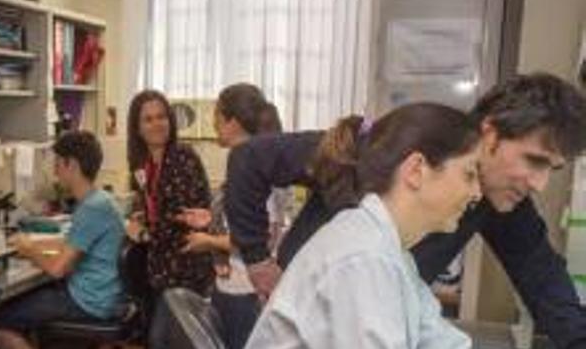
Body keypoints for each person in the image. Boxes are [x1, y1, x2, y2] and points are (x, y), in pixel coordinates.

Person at [226, 73, 586, 348]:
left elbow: (541, 277)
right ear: (416, 170)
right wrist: (258, 261)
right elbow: (249, 158)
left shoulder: (395, 256)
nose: (540, 184)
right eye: (534, 161)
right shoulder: (365, 254)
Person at [245, 103, 480, 348]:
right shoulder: (363, 256)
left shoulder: (390, 251)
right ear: (416, 170)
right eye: (469, 175)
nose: (477, 193)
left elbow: (442, 342)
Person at [0, 130, 125, 349]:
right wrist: (29, 243)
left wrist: (30, 251)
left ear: (72, 165)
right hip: (104, 297)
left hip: (88, 302)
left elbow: (58, 269)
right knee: (23, 306)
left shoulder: (91, 208)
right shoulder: (102, 199)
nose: (55, 170)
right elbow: (71, 243)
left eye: (58, 163)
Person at [175, 83, 284, 349]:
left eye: (217, 116)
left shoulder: (257, 169)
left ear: (233, 122)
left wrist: (209, 242)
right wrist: (209, 219)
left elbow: (263, 239)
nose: (213, 123)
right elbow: (243, 221)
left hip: (246, 292)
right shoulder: (246, 162)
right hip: (231, 288)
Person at [125, 90, 214, 296]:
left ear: (170, 121)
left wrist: (144, 233)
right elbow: (154, 205)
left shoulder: (182, 156)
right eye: (148, 119)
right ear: (137, 128)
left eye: (161, 117)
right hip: (159, 267)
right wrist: (142, 216)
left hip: (185, 267)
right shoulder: (142, 163)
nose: (157, 124)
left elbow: (184, 217)